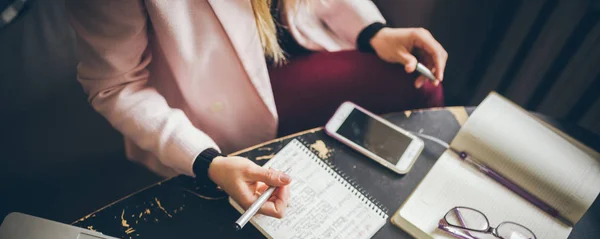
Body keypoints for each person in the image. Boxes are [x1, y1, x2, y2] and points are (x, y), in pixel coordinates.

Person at [66, 0, 447, 219]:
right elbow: (115, 85)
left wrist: (373, 32)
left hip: (302, 42)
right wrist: (206, 161)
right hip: (212, 107)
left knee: (419, 78)